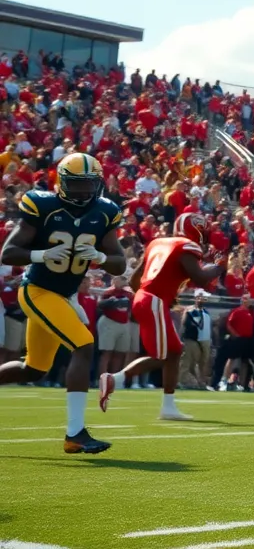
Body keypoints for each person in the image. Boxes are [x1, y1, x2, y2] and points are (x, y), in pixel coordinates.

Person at [0, 153, 125, 453]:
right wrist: (39, 255)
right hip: (38, 290)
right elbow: (8, 252)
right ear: (61, 182)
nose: (83, 192)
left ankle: (75, 432)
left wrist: (101, 258)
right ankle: (75, 434)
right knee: (83, 345)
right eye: (76, 184)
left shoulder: (105, 211)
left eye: (88, 184)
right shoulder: (42, 205)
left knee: (34, 369)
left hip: (64, 295)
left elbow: (119, 263)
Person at [98, 213, 221, 420]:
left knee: (174, 351)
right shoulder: (186, 246)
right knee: (163, 355)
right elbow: (200, 278)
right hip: (153, 301)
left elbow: (136, 278)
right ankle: (114, 379)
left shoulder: (157, 242)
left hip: (146, 298)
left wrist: (153, 296)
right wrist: (218, 268)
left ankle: (168, 407)